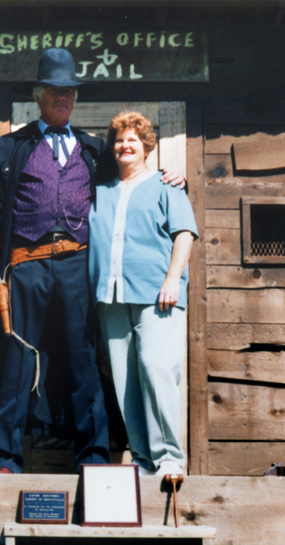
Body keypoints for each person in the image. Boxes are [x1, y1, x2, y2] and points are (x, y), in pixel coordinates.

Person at [0, 50, 183, 474]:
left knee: (84, 360)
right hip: (25, 267)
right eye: (55, 91)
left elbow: (135, 169)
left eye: (69, 92)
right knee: (17, 360)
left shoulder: (94, 150)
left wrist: (170, 176)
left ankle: (92, 458)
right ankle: (5, 459)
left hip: (78, 265)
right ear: (39, 96)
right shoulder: (10, 147)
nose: (62, 99)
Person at [88, 111, 198, 478]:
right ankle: (142, 460)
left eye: (133, 139)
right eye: (119, 140)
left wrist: (172, 279)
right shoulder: (100, 192)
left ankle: (169, 457)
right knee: (125, 379)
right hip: (112, 299)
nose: (125, 145)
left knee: (156, 367)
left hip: (158, 296)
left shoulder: (167, 186)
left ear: (146, 146)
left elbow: (184, 234)